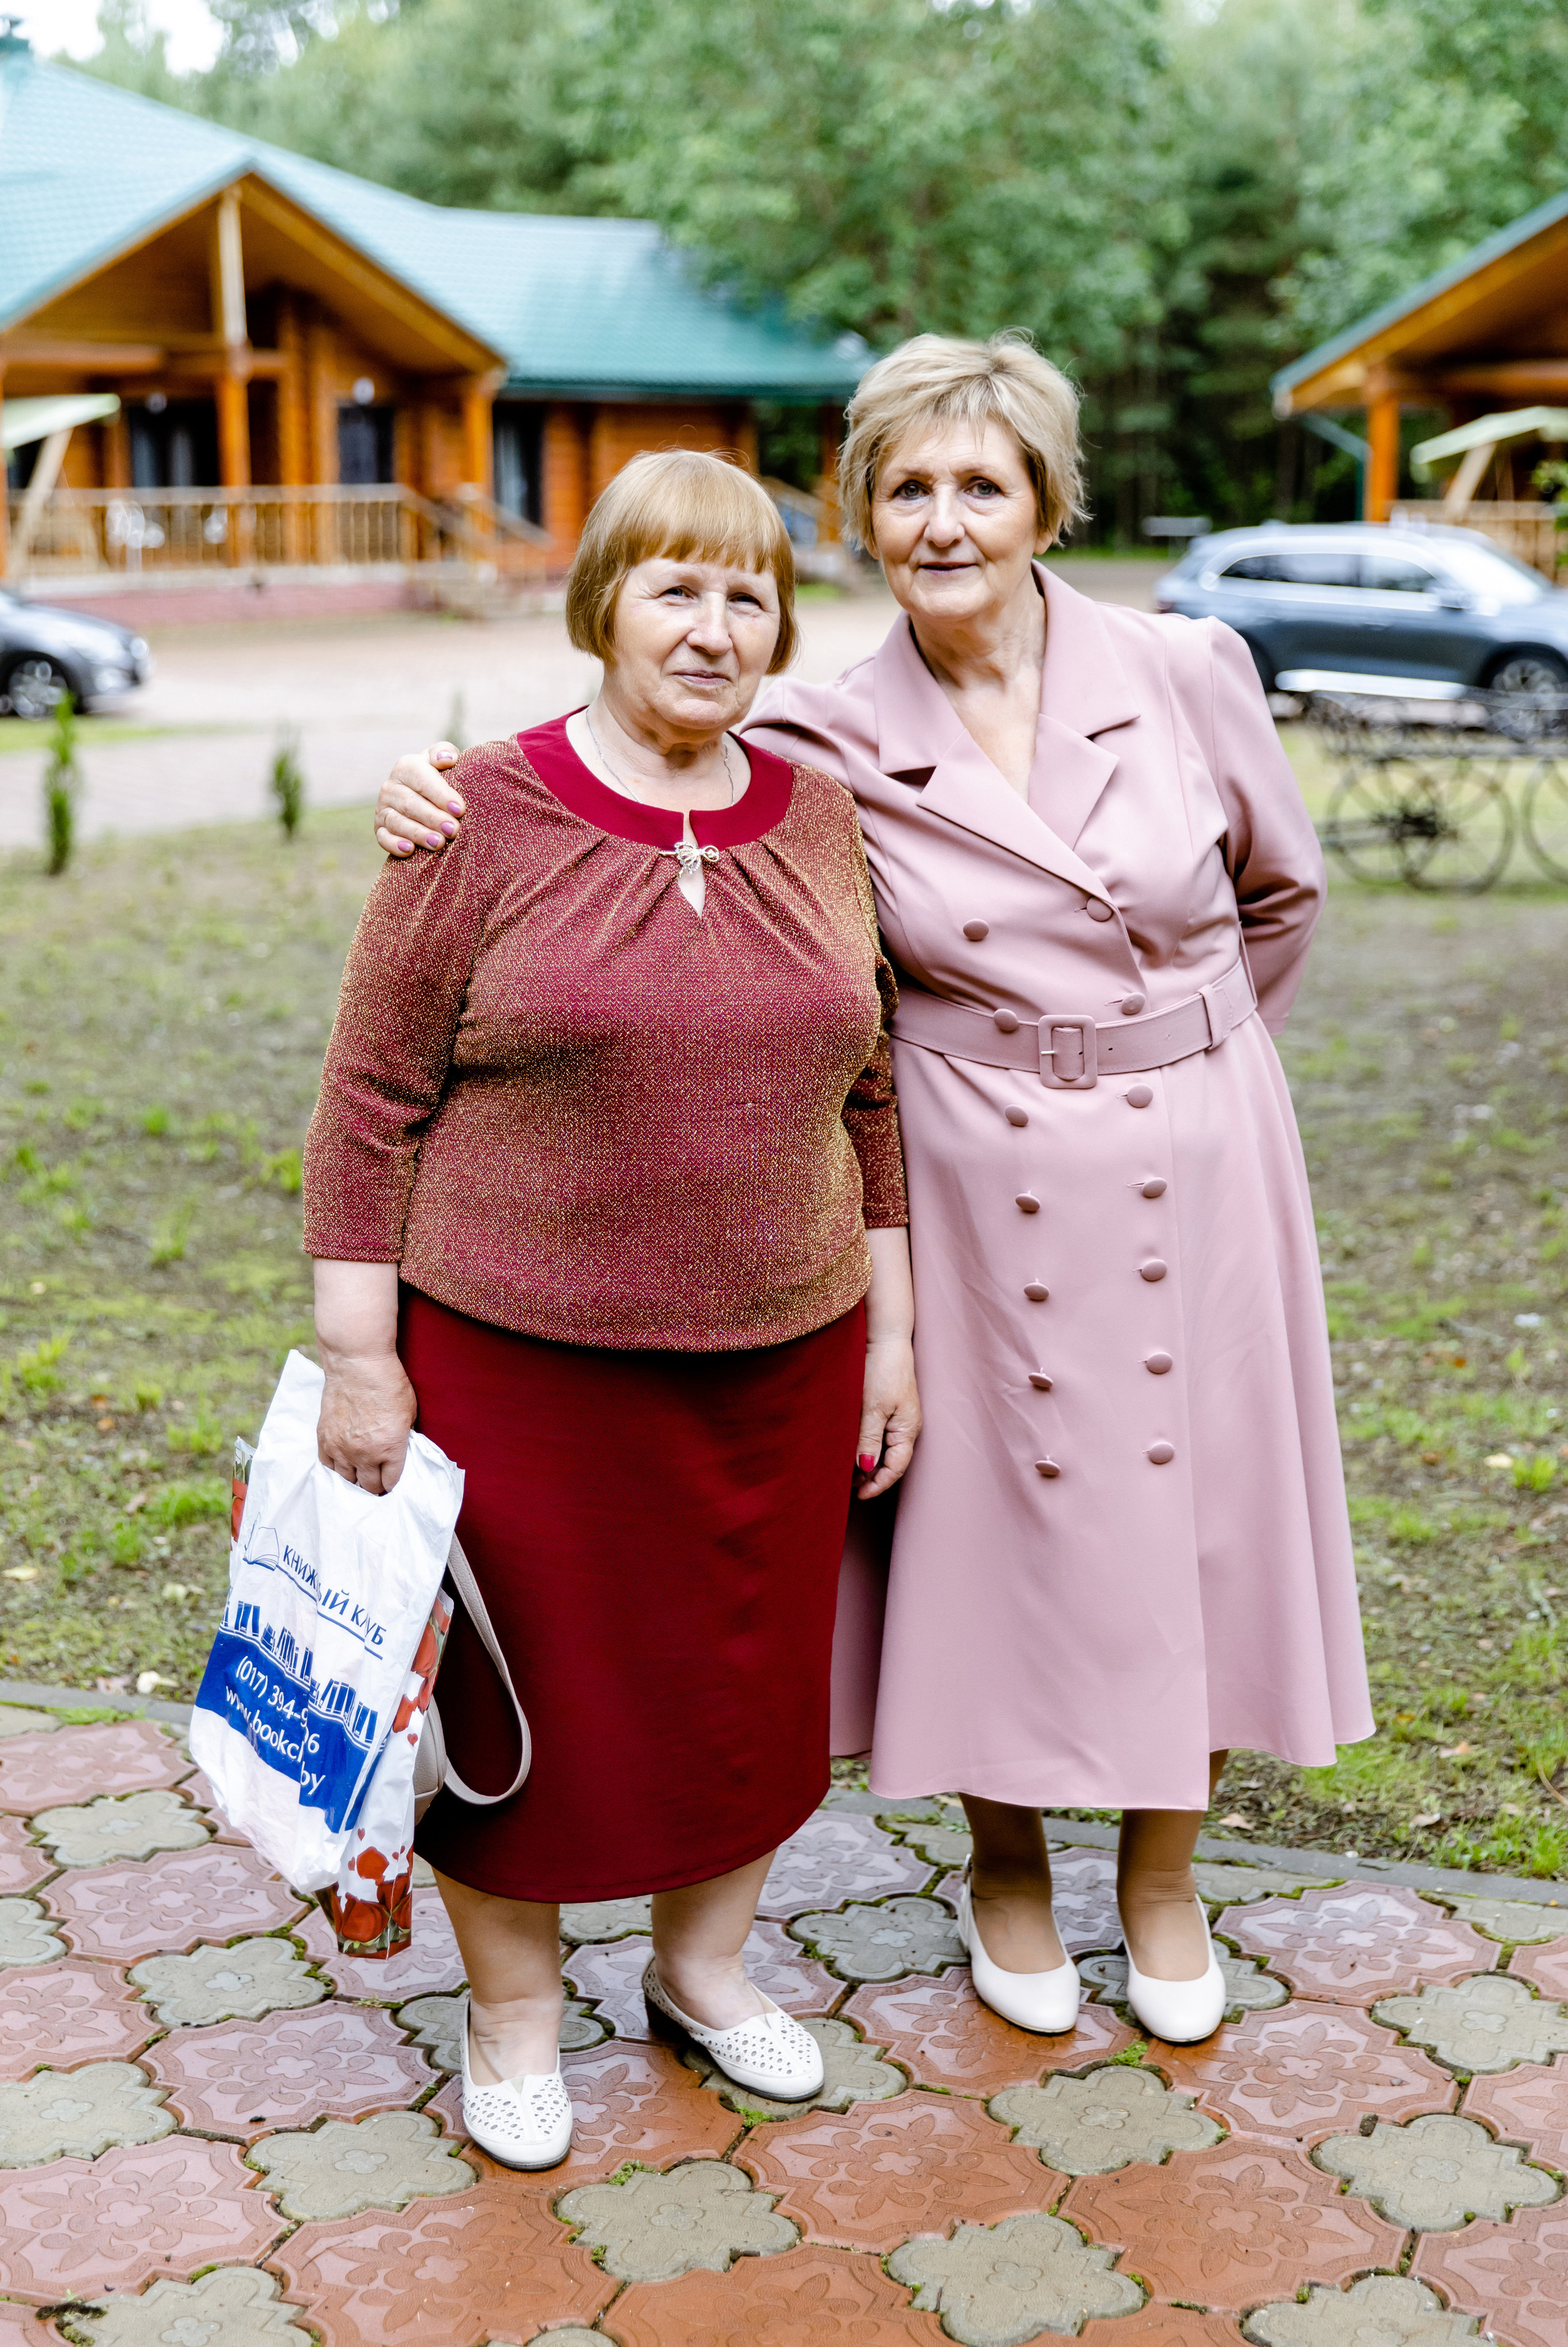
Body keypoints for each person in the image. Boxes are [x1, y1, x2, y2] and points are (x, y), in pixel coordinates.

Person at [372, 333, 1372, 2049]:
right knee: (991, 1527)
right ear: (864, 516)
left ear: (1048, 501)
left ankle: (1162, 1876)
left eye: (982, 483)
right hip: (972, 1169)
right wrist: (429, 784)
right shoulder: (826, 731)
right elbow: (631, 764)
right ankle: (1000, 1864)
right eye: (906, 487)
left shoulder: (1190, 666)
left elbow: (1283, 893)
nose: (944, 519)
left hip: (1198, 1154)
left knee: (1196, 1514)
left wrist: (1190, 1065)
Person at [304, 448, 919, 2171]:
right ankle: (511, 2016)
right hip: (519, 1364)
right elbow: (369, 1101)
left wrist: (898, 1329)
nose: (713, 627)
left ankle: (703, 1974)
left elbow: (869, 1097)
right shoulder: (475, 814)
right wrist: (365, 1362)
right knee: (529, 1705)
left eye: (747, 594)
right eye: (676, 586)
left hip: (781, 1362)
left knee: (741, 1688)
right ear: (603, 605)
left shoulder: (817, 813)